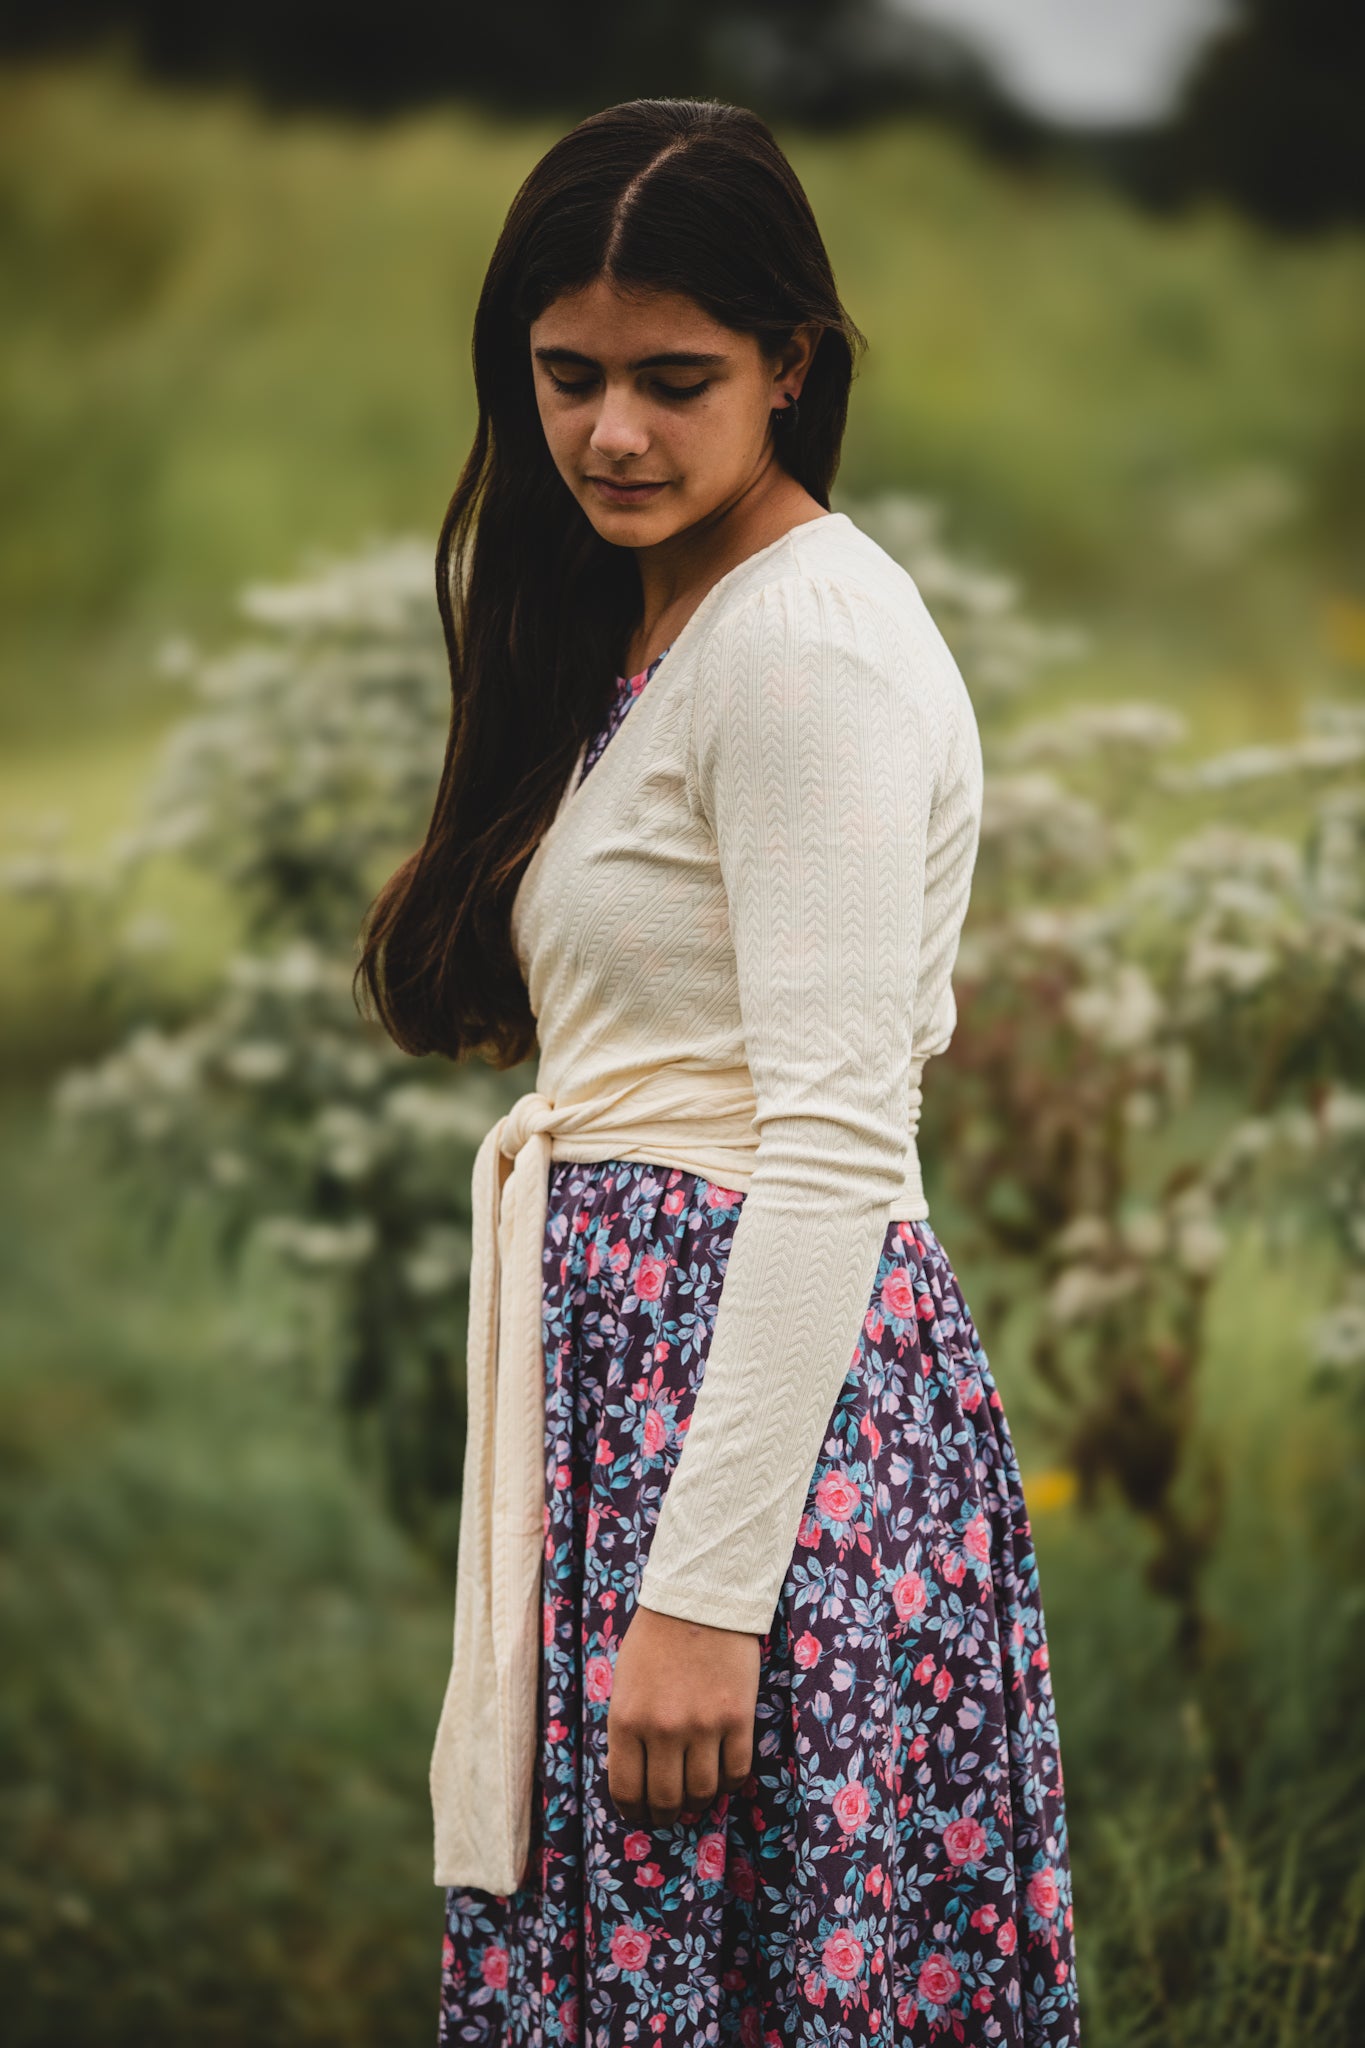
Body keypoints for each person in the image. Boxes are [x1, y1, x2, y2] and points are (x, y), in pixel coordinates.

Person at [356, 94, 1080, 2048]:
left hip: (760, 1434)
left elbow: (835, 1142)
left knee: (749, 1976)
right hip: (644, 1406)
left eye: (672, 380)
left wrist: (703, 1594)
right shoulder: (661, 616)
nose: (606, 430)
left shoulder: (806, 652)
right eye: (565, 375)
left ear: (788, 364)